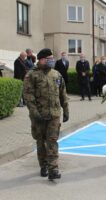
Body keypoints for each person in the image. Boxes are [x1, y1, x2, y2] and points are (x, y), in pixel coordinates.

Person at [23, 48, 69, 180]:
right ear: (42, 59)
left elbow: (63, 94)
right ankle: (43, 165)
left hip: (54, 114)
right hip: (39, 115)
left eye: (52, 58)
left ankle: (53, 169)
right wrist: (34, 112)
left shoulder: (56, 74)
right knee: (41, 142)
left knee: (52, 141)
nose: (52, 61)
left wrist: (66, 110)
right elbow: (28, 95)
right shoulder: (31, 75)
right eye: (49, 58)